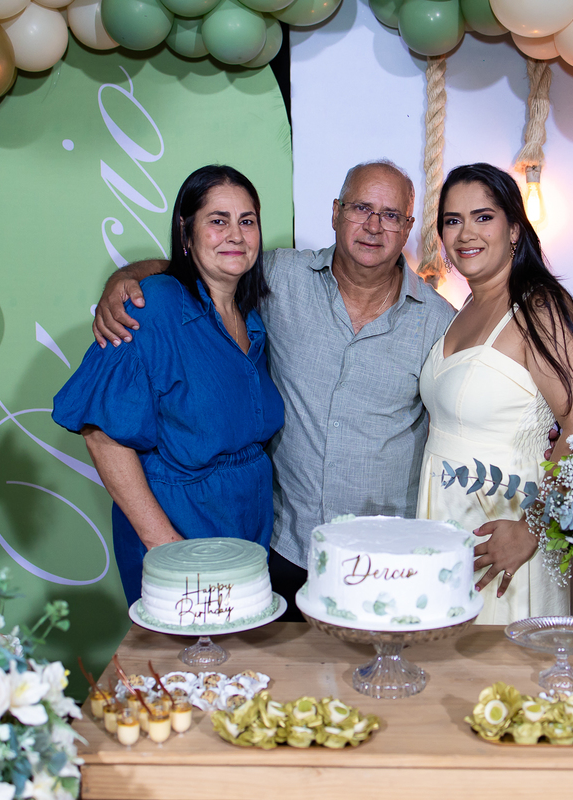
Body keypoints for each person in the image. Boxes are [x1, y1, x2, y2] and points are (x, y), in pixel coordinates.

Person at [91, 161, 456, 619]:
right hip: (283, 547)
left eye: (391, 215)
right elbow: (199, 265)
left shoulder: (441, 323)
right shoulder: (280, 276)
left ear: (408, 228)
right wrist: (123, 283)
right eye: (361, 208)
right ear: (336, 212)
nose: (373, 225)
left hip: (381, 557)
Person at [52, 165, 284, 605]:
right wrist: (166, 547)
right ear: (186, 231)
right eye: (218, 221)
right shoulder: (152, 304)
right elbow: (103, 434)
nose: (236, 235)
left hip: (247, 530)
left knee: (239, 649)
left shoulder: (251, 316)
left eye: (247, 220)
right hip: (176, 529)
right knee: (185, 650)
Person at [417, 163, 573, 625]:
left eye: (483, 217)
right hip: (447, 516)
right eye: (453, 220)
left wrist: (532, 528)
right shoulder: (465, 307)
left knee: (500, 661)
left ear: (514, 229)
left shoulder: (539, 306)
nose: (465, 233)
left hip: (506, 526)